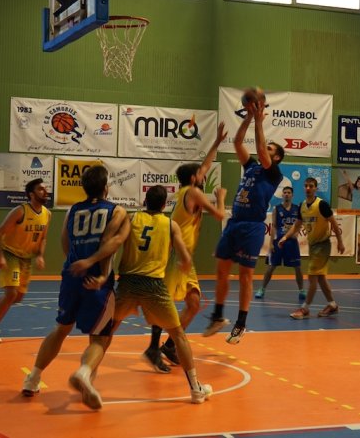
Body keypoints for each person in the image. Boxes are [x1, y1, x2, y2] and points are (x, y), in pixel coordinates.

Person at [20, 165, 129, 410]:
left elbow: (64, 242)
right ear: (105, 187)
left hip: (71, 275)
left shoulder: (72, 210)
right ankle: (84, 372)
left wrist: (76, 265)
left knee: (60, 329)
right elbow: (111, 242)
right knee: (100, 338)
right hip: (96, 280)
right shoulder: (116, 211)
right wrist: (95, 268)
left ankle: (33, 378)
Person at [114, 185, 212, 403]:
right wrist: (184, 263)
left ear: (144, 200)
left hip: (127, 282)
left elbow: (114, 243)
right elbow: (185, 257)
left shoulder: (131, 218)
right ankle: (196, 389)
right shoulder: (170, 224)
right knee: (179, 336)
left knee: (105, 333)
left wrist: (105, 275)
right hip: (153, 285)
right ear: (165, 204)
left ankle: (86, 373)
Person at [144, 124, 228, 373]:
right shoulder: (193, 192)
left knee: (192, 303)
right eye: (200, 175)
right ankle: (152, 347)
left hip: (184, 256)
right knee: (166, 303)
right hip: (174, 255)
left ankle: (169, 346)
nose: (204, 175)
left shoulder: (188, 189)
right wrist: (221, 195)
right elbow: (220, 214)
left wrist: (216, 142)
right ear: (194, 179)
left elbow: (205, 165)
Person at [203, 88, 284, 344]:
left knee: (246, 276)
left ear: (277, 156)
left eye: (271, 148)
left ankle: (240, 323)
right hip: (235, 222)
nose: (265, 148)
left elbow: (261, 150)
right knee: (221, 271)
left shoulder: (273, 173)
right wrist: (248, 118)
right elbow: (238, 144)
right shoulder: (251, 166)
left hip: (252, 226)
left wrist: (259, 122)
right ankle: (217, 316)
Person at [0, 178, 51, 343]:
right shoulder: (20, 211)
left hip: (27, 258)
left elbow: (43, 238)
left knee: (17, 298)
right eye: (40, 189)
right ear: (31, 194)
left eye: (45, 189)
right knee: (11, 293)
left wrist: (40, 255)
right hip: (10, 253)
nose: (45, 192)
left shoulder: (47, 214)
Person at [281, 177, 345, 319]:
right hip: (313, 245)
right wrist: (285, 237)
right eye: (306, 186)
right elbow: (296, 225)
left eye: (311, 186)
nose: (308, 188)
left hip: (322, 245)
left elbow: (334, 224)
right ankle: (332, 305)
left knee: (312, 278)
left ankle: (305, 309)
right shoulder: (302, 206)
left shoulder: (321, 204)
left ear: (315, 188)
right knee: (321, 278)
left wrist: (340, 242)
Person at [255, 185, 304, 301]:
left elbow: (299, 224)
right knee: (271, 267)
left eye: (289, 192)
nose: (286, 194)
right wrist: (271, 243)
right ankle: (262, 289)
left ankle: (302, 290)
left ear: (292, 195)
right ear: (282, 195)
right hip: (278, 242)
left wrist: (296, 232)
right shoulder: (277, 209)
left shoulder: (297, 209)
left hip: (291, 242)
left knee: (297, 267)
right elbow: (274, 227)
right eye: (285, 192)